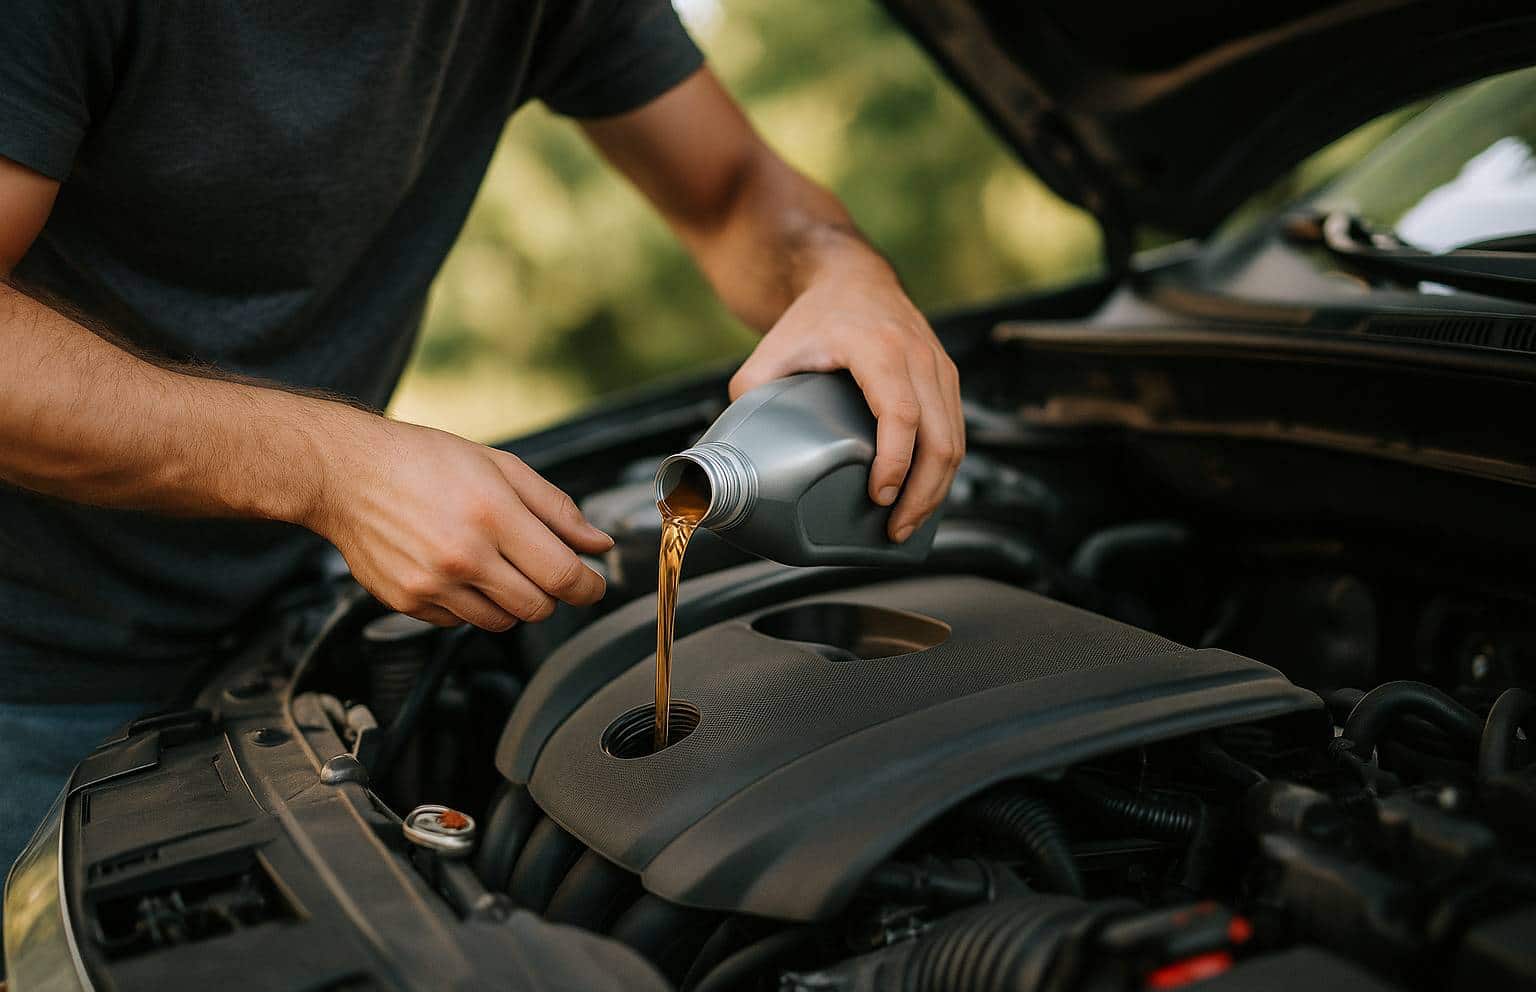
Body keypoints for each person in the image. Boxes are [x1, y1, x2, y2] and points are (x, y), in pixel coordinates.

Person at [0, 1, 965, 885]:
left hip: (275, 636)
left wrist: (841, 269)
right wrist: (329, 468)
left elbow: (734, 193)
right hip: (30, 674)